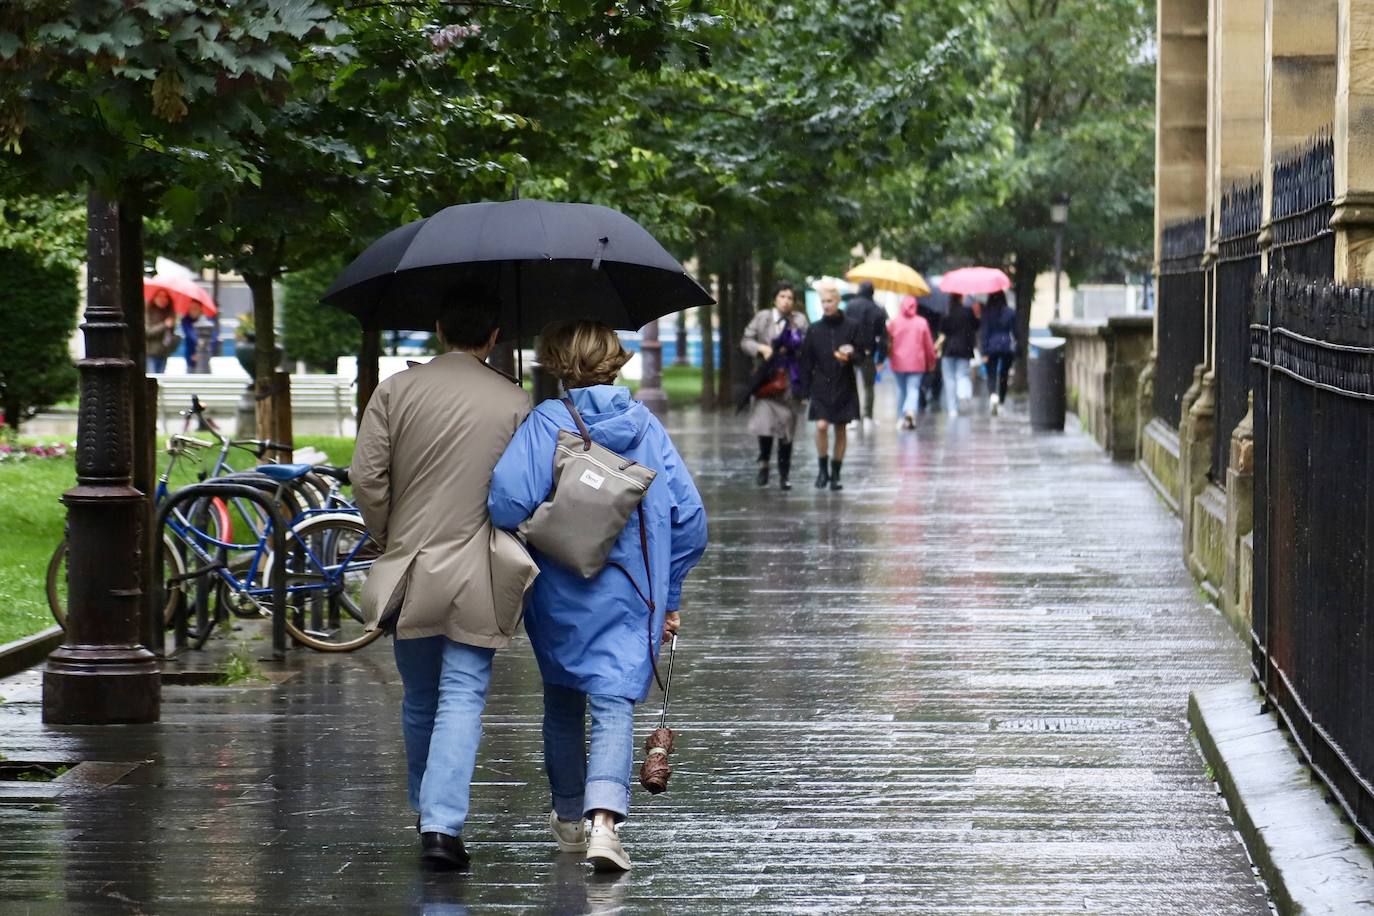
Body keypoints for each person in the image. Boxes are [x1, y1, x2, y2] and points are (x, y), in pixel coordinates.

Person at [488, 320, 707, 873]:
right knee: (613, 703)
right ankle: (604, 825)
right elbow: (691, 521)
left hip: (559, 589)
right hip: (635, 593)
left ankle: (566, 815)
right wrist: (671, 591)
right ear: (617, 360)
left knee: (562, 698)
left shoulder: (547, 422)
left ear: (559, 364)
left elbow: (506, 504)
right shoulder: (646, 427)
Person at [349, 287, 538, 871]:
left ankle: (422, 806)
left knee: (419, 696)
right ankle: (442, 824)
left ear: (438, 328)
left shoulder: (394, 391)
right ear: (494, 337)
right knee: (463, 697)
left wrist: (388, 533)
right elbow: (521, 493)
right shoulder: (514, 401)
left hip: (409, 567)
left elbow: (366, 477)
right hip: (479, 566)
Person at [740, 281, 809, 489]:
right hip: (766, 382)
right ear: (775, 298)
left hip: (789, 382)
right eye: (782, 297)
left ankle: (784, 474)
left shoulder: (800, 321)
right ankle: (763, 464)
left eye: (790, 298)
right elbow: (745, 340)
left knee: (787, 429)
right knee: (765, 426)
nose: (786, 301)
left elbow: (808, 345)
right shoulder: (763, 318)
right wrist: (761, 348)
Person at [799, 283, 865, 490]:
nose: (826, 305)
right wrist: (804, 389)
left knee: (841, 428)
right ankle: (822, 469)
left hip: (843, 382)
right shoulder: (815, 329)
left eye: (830, 301)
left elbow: (861, 356)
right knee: (821, 425)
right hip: (821, 383)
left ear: (838, 302)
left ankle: (835, 473)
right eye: (823, 302)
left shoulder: (851, 326)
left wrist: (850, 356)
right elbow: (807, 361)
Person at [886, 295, 938, 429]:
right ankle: (910, 411)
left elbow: (888, 342)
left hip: (898, 362)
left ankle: (900, 418)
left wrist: (888, 356)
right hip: (917, 362)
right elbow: (928, 345)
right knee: (913, 389)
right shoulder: (921, 322)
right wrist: (931, 360)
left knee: (901, 389)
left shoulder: (894, 322)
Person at [842, 280, 888, 429]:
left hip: (850, 352)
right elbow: (883, 337)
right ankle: (868, 417)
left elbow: (843, 327)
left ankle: (853, 417)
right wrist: (881, 358)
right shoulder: (878, 309)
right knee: (869, 386)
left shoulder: (850, 306)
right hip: (868, 352)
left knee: (850, 384)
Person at [937, 292, 979, 417]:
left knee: (949, 379)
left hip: (948, 350)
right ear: (961, 297)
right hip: (964, 349)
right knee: (962, 375)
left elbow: (942, 330)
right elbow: (976, 326)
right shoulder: (968, 312)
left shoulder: (947, 312)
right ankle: (963, 395)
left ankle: (952, 409)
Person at [980, 290, 1017, 415]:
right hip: (1006, 345)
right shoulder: (1010, 312)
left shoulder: (987, 312)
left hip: (991, 346)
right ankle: (1001, 400)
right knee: (1004, 374)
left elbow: (984, 332)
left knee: (991, 373)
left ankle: (993, 395)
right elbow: (1015, 331)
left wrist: (984, 350)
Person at [145, 290, 179, 374]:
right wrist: (164, 325)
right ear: (154, 298)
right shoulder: (148, 312)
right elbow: (147, 332)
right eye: (160, 296)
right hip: (151, 353)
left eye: (165, 297)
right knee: (152, 377)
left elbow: (171, 335)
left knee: (161, 378)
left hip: (164, 352)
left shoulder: (170, 313)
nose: (163, 299)